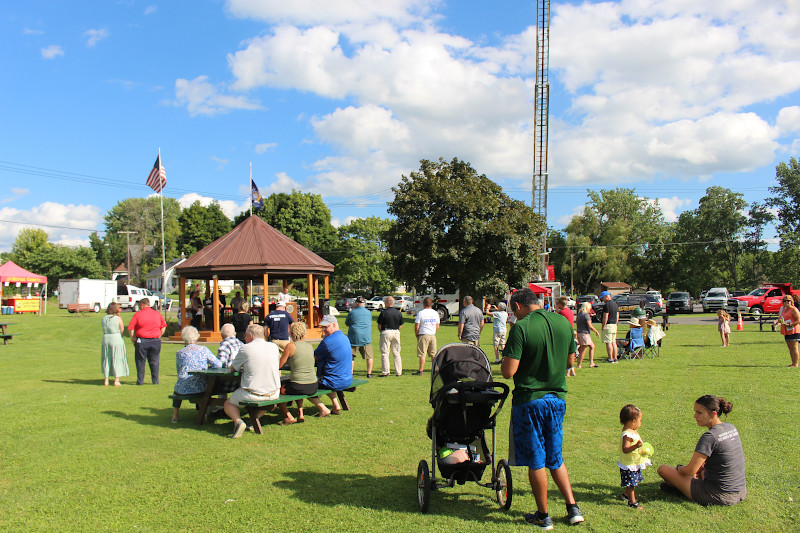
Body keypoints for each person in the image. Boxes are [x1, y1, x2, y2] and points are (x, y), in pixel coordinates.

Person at [501, 288, 584, 529]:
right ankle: (573, 508)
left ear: (518, 306)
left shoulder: (521, 327)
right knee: (555, 456)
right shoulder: (563, 322)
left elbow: (508, 372)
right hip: (557, 399)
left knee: (536, 459)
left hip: (530, 400)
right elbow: (570, 361)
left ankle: (543, 515)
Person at [657, 395, 746, 506]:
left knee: (664, 469)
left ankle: (680, 488)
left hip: (720, 495)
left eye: (699, 413)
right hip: (740, 491)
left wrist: (679, 468)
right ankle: (682, 485)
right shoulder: (731, 427)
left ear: (713, 414)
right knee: (701, 470)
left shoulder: (710, 437)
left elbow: (690, 471)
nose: (695, 416)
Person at [223, 324, 281, 439]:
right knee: (270, 403)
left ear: (250, 336)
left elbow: (233, 368)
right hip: (274, 392)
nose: (244, 337)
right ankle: (252, 421)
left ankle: (238, 421)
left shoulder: (245, 348)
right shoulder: (273, 346)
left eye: (245, 335)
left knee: (228, 403)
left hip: (253, 393)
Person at [171, 326, 222, 423]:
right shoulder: (204, 350)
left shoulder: (180, 353)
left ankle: (175, 415)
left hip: (183, 387)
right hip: (201, 386)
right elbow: (218, 364)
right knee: (201, 386)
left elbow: (179, 370)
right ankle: (203, 413)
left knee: (178, 386)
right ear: (197, 337)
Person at [275, 322, 318, 425]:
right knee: (296, 386)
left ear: (291, 333)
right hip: (313, 384)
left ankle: (288, 416)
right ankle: (300, 413)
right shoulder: (309, 346)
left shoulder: (290, 346)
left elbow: (279, 365)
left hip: (299, 385)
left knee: (277, 391)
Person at [313, 315, 353, 416]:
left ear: (334, 325)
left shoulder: (328, 341)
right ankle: (336, 405)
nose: (323, 329)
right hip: (347, 379)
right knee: (329, 376)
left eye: (326, 327)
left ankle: (323, 409)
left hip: (333, 381)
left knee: (304, 385)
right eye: (322, 327)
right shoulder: (345, 337)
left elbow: (314, 357)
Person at [127, 298, 166, 385]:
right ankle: (155, 380)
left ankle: (140, 381)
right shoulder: (157, 314)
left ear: (142, 305)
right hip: (155, 340)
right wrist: (159, 335)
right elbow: (163, 326)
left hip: (142, 340)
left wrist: (132, 337)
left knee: (140, 361)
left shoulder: (138, 314)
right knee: (154, 361)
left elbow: (131, 328)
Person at [618, 404, 650, 509]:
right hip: (629, 464)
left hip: (635, 463)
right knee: (631, 484)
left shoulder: (631, 430)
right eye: (640, 420)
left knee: (634, 481)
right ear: (633, 421)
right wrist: (636, 446)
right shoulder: (627, 435)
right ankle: (632, 502)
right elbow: (625, 449)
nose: (641, 423)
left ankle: (625, 495)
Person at [101, 302, 128, 386]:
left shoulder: (104, 318)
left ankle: (106, 379)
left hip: (106, 338)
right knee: (117, 358)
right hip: (116, 337)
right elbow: (122, 330)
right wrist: (121, 337)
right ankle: (116, 380)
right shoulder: (117, 318)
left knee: (106, 358)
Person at [345, 296, 374, 378]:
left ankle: (350, 373)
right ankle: (369, 373)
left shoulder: (352, 312)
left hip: (354, 336)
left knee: (351, 356)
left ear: (357, 303)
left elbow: (347, 323)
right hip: (366, 337)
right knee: (369, 356)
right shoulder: (369, 313)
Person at [377, 296, 403, 377]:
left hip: (386, 331)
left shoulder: (383, 313)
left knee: (385, 353)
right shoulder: (398, 312)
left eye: (385, 302)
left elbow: (379, 325)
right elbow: (400, 325)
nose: (384, 303)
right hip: (396, 332)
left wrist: (382, 332)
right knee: (396, 353)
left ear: (388, 303)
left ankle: (386, 371)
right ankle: (398, 372)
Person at [414, 296, 440, 375]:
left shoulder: (421, 313)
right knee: (433, 354)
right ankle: (435, 369)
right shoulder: (435, 313)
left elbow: (417, 325)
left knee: (422, 353)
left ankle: (421, 370)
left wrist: (417, 334)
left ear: (424, 304)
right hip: (432, 335)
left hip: (423, 334)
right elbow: (437, 326)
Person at [773, 294, 800, 367]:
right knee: (790, 348)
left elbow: (798, 320)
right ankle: (793, 363)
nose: (786, 302)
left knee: (794, 347)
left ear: (791, 301)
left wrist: (790, 325)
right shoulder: (784, 309)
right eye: (785, 301)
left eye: (788, 300)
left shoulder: (794, 309)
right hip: (786, 330)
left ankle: (796, 363)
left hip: (794, 330)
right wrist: (777, 322)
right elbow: (781, 318)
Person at [575, 302, 600, 368]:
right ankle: (579, 365)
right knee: (583, 349)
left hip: (579, 332)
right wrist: (596, 331)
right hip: (585, 333)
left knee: (592, 346)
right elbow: (589, 325)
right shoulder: (586, 315)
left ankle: (591, 363)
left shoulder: (579, 315)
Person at [600, 291, 619, 363]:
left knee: (608, 342)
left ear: (606, 296)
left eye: (603, 298)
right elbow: (617, 315)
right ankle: (615, 358)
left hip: (608, 325)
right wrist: (616, 323)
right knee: (613, 342)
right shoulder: (615, 304)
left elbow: (605, 316)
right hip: (614, 325)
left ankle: (610, 358)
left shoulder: (606, 305)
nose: (603, 300)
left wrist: (603, 325)